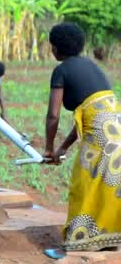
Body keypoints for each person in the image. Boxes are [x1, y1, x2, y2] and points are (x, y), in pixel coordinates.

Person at [42, 23, 121, 258]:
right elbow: (85, 117)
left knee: (83, 185)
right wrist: (63, 147)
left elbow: (53, 115)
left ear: (55, 48)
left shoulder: (62, 70)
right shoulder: (91, 65)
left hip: (100, 132)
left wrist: (48, 148)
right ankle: (106, 240)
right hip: (115, 127)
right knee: (109, 185)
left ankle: (74, 245)